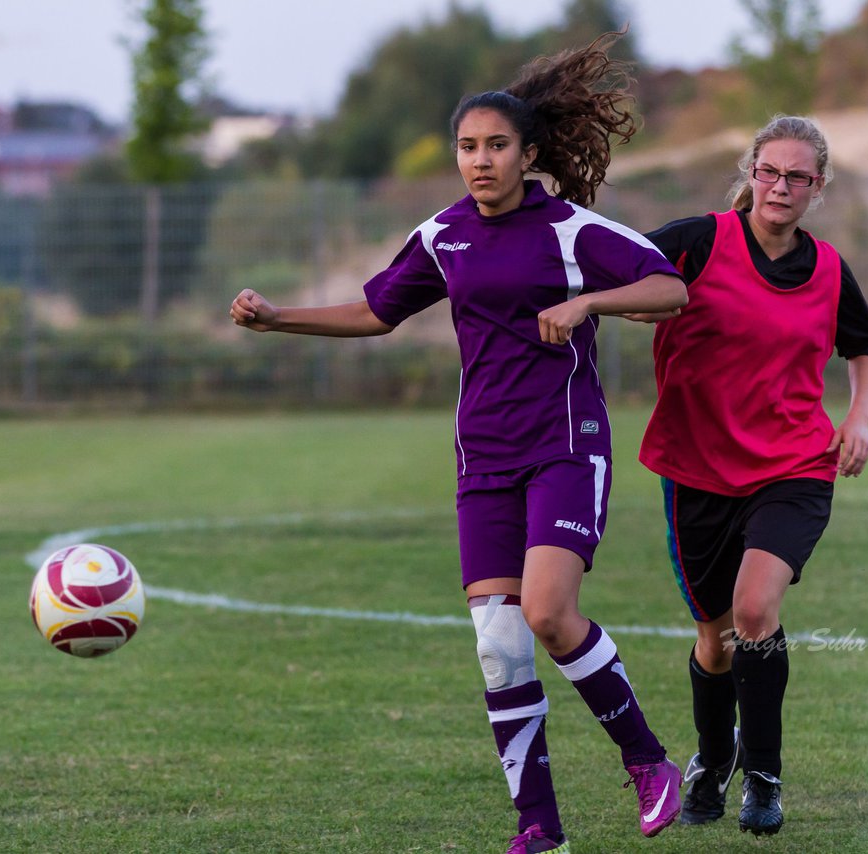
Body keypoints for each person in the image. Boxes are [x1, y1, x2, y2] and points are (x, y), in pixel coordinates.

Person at [230, 33, 687, 854]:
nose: (480, 161)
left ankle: (649, 763)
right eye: (467, 147)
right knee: (499, 645)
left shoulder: (570, 231)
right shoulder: (443, 235)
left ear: (530, 153)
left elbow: (669, 286)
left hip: (564, 443)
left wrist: (588, 307)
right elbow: (376, 310)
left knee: (548, 613)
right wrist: (278, 318)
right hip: (484, 456)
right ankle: (538, 827)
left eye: (496, 146)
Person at [637, 115, 868, 837]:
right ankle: (714, 759)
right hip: (697, 470)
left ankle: (765, 778)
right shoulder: (694, 242)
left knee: (755, 612)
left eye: (798, 177)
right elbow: (615, 275)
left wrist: (859, 417)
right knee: (715, 640)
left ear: (818, 187)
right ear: (751, 172)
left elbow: (866, 345)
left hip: (795, 465)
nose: (781, 186)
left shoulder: (830, 269)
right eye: (770, 171)